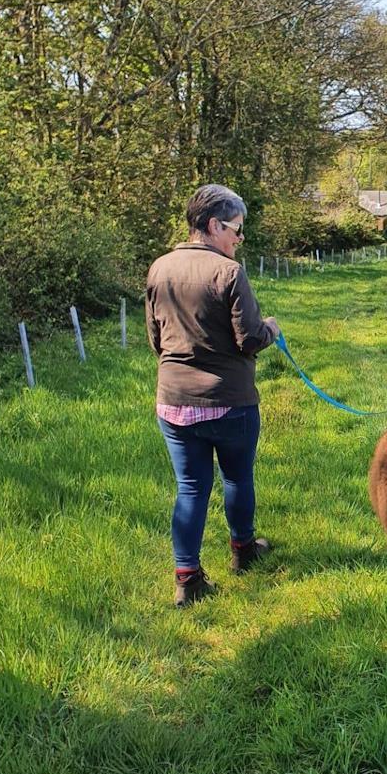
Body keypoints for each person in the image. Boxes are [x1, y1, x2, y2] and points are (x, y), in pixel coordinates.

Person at [145, 184, 280, 607]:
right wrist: (272, 329)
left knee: (190, 488)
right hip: (230, 402)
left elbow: (156, 341)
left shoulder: (159, 268)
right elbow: (250, 339)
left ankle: (187, 578)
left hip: (173, 400)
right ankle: (242, 552)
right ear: (213, 225)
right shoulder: (229, 271)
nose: (239, 239)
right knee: (237, 478)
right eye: (236, 229)